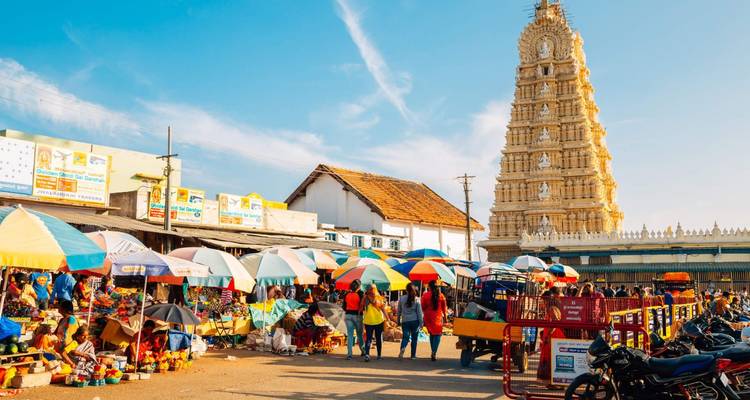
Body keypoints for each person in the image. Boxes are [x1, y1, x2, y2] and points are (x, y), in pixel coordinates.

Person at [421, 280, 448, 362]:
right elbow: (444, 309)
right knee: (438, 335)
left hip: (428, 317)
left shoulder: (425, 295)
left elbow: (423, 307)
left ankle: (433, 351)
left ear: (429, 287)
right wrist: (446, 319)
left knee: (432, 334)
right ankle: (434, 352)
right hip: (437, 318)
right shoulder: (441, 296)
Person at [398, 283, 423, 360]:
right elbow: (419, 313)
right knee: (414, 338)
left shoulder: (401, 298)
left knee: (405, 337)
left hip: (405, 321)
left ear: (406, 290)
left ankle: (403, 348)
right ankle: (413, 355)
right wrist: (421, 323)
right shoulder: (417, 299)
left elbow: (399, 311)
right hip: (415, 321)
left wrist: (398, 320)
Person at [361, 284, 386, 362]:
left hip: (369, 321)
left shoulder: (365, 298)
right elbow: (383, 309)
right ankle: (379, 355)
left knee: (368, 339)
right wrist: (387, 318)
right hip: (378, 321)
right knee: (378, 338)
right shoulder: (379, 297)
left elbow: (361, 307)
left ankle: (367, 355)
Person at [343, 280, 364, 360]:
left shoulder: (347, 294)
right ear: (359, 286)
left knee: (350, 335)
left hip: (348, 315)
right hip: (357, 316)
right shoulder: (360, 294)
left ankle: (349, 354)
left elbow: (344, 307)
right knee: (359, 335)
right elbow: (362, 306)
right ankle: (363, 351)